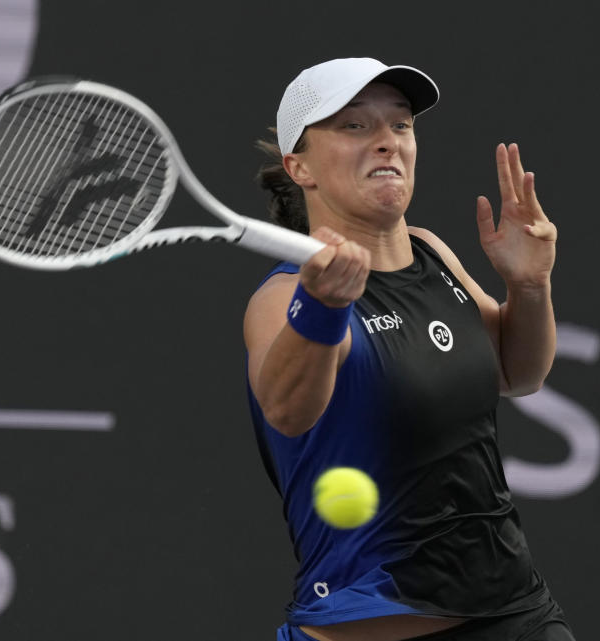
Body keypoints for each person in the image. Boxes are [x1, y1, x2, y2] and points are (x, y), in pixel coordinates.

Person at [244, 57, 574, 641]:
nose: (386, 143)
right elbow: (289, 413)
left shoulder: (431, 253)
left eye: (401, 125)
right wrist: (323, 308)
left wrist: (529, 286)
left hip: (515, 613)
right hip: (369, 624)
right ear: (300, 167)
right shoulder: (284, 297)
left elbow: (517, 373)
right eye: (354, 126)